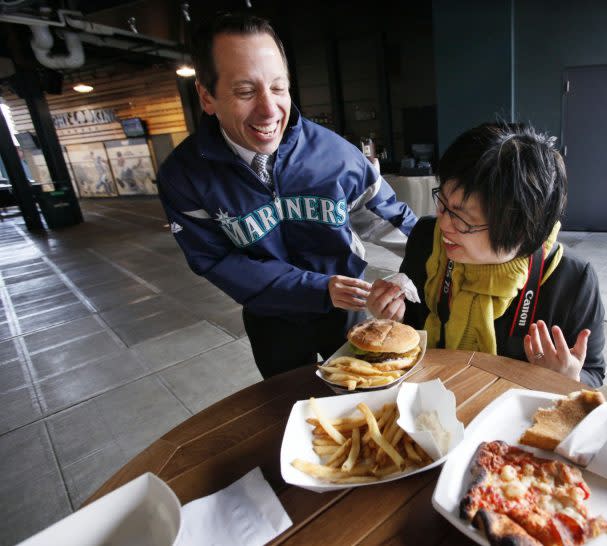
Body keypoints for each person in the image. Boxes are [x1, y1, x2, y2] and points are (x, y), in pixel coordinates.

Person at [157, 13, 416, 378]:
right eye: (246, 91)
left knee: (367, 393)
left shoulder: (337, 155)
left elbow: (396, 223)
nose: (269, 110)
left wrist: (420, 271)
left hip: (347, 310)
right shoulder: (184, 176)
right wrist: (316, 287)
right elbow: (215, 260)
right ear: (207, 97)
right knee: (288, 408)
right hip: (270, 317)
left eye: (278, 88)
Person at [366, 122, 605, 386]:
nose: (443, 225)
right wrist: (394, 318)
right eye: (443, 204)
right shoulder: (426, 239)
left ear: (519, 230)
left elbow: (593, 373)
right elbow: (413, 321)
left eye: (462, 219)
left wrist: (568, 377)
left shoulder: (570, 279)